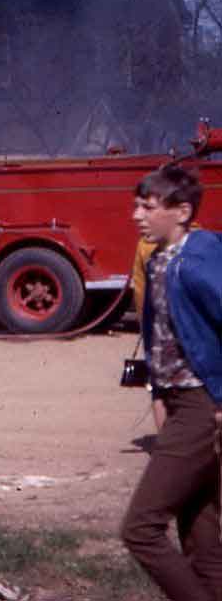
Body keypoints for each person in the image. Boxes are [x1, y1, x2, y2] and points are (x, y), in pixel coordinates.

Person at [121, 163, 222, 601]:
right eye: (136, 206)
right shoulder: (160, 258)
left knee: (140, 529)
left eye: (147, 206)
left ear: (181, 212)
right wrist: (159, 394)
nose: (136, 216)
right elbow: (164, 338)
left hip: (204, 406)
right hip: (179, 402)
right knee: (199, 531)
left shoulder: (198, 262)